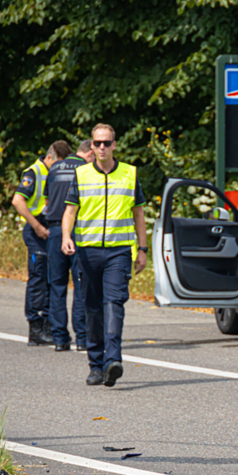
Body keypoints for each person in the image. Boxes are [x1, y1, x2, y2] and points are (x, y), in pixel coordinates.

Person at [61, 124, 148, 387]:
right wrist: (66, 236)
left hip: (118, 252)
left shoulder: (130, 175)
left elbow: (139, 214)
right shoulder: (82, 174)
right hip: (87, 252)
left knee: (114, 304)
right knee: (92, 308)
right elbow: (69, 212)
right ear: (92, 145)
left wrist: (142, 250)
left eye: (106, 143)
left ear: (115, 145)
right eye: (97, 143)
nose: (101, 147)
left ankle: (113, 361)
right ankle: (95, 366)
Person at [12, 140, 72, 345]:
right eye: (59, 164)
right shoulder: (34, 172)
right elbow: (17, 201)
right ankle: (36, 328)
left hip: (50, 229)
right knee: (38, 278)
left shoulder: (54, 171)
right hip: (37, 228)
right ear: (49, 158)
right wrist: (37, 226)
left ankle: (48, 324)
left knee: (50, 278)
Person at [44, 139, 94, 351]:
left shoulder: (54, 168)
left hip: (55, 231)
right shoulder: (86, 169)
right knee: (81, 284)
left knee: (57, 286)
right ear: (90, 153)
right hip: (78, 230)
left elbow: (47, 202)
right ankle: (82, 338)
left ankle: (59, 338)